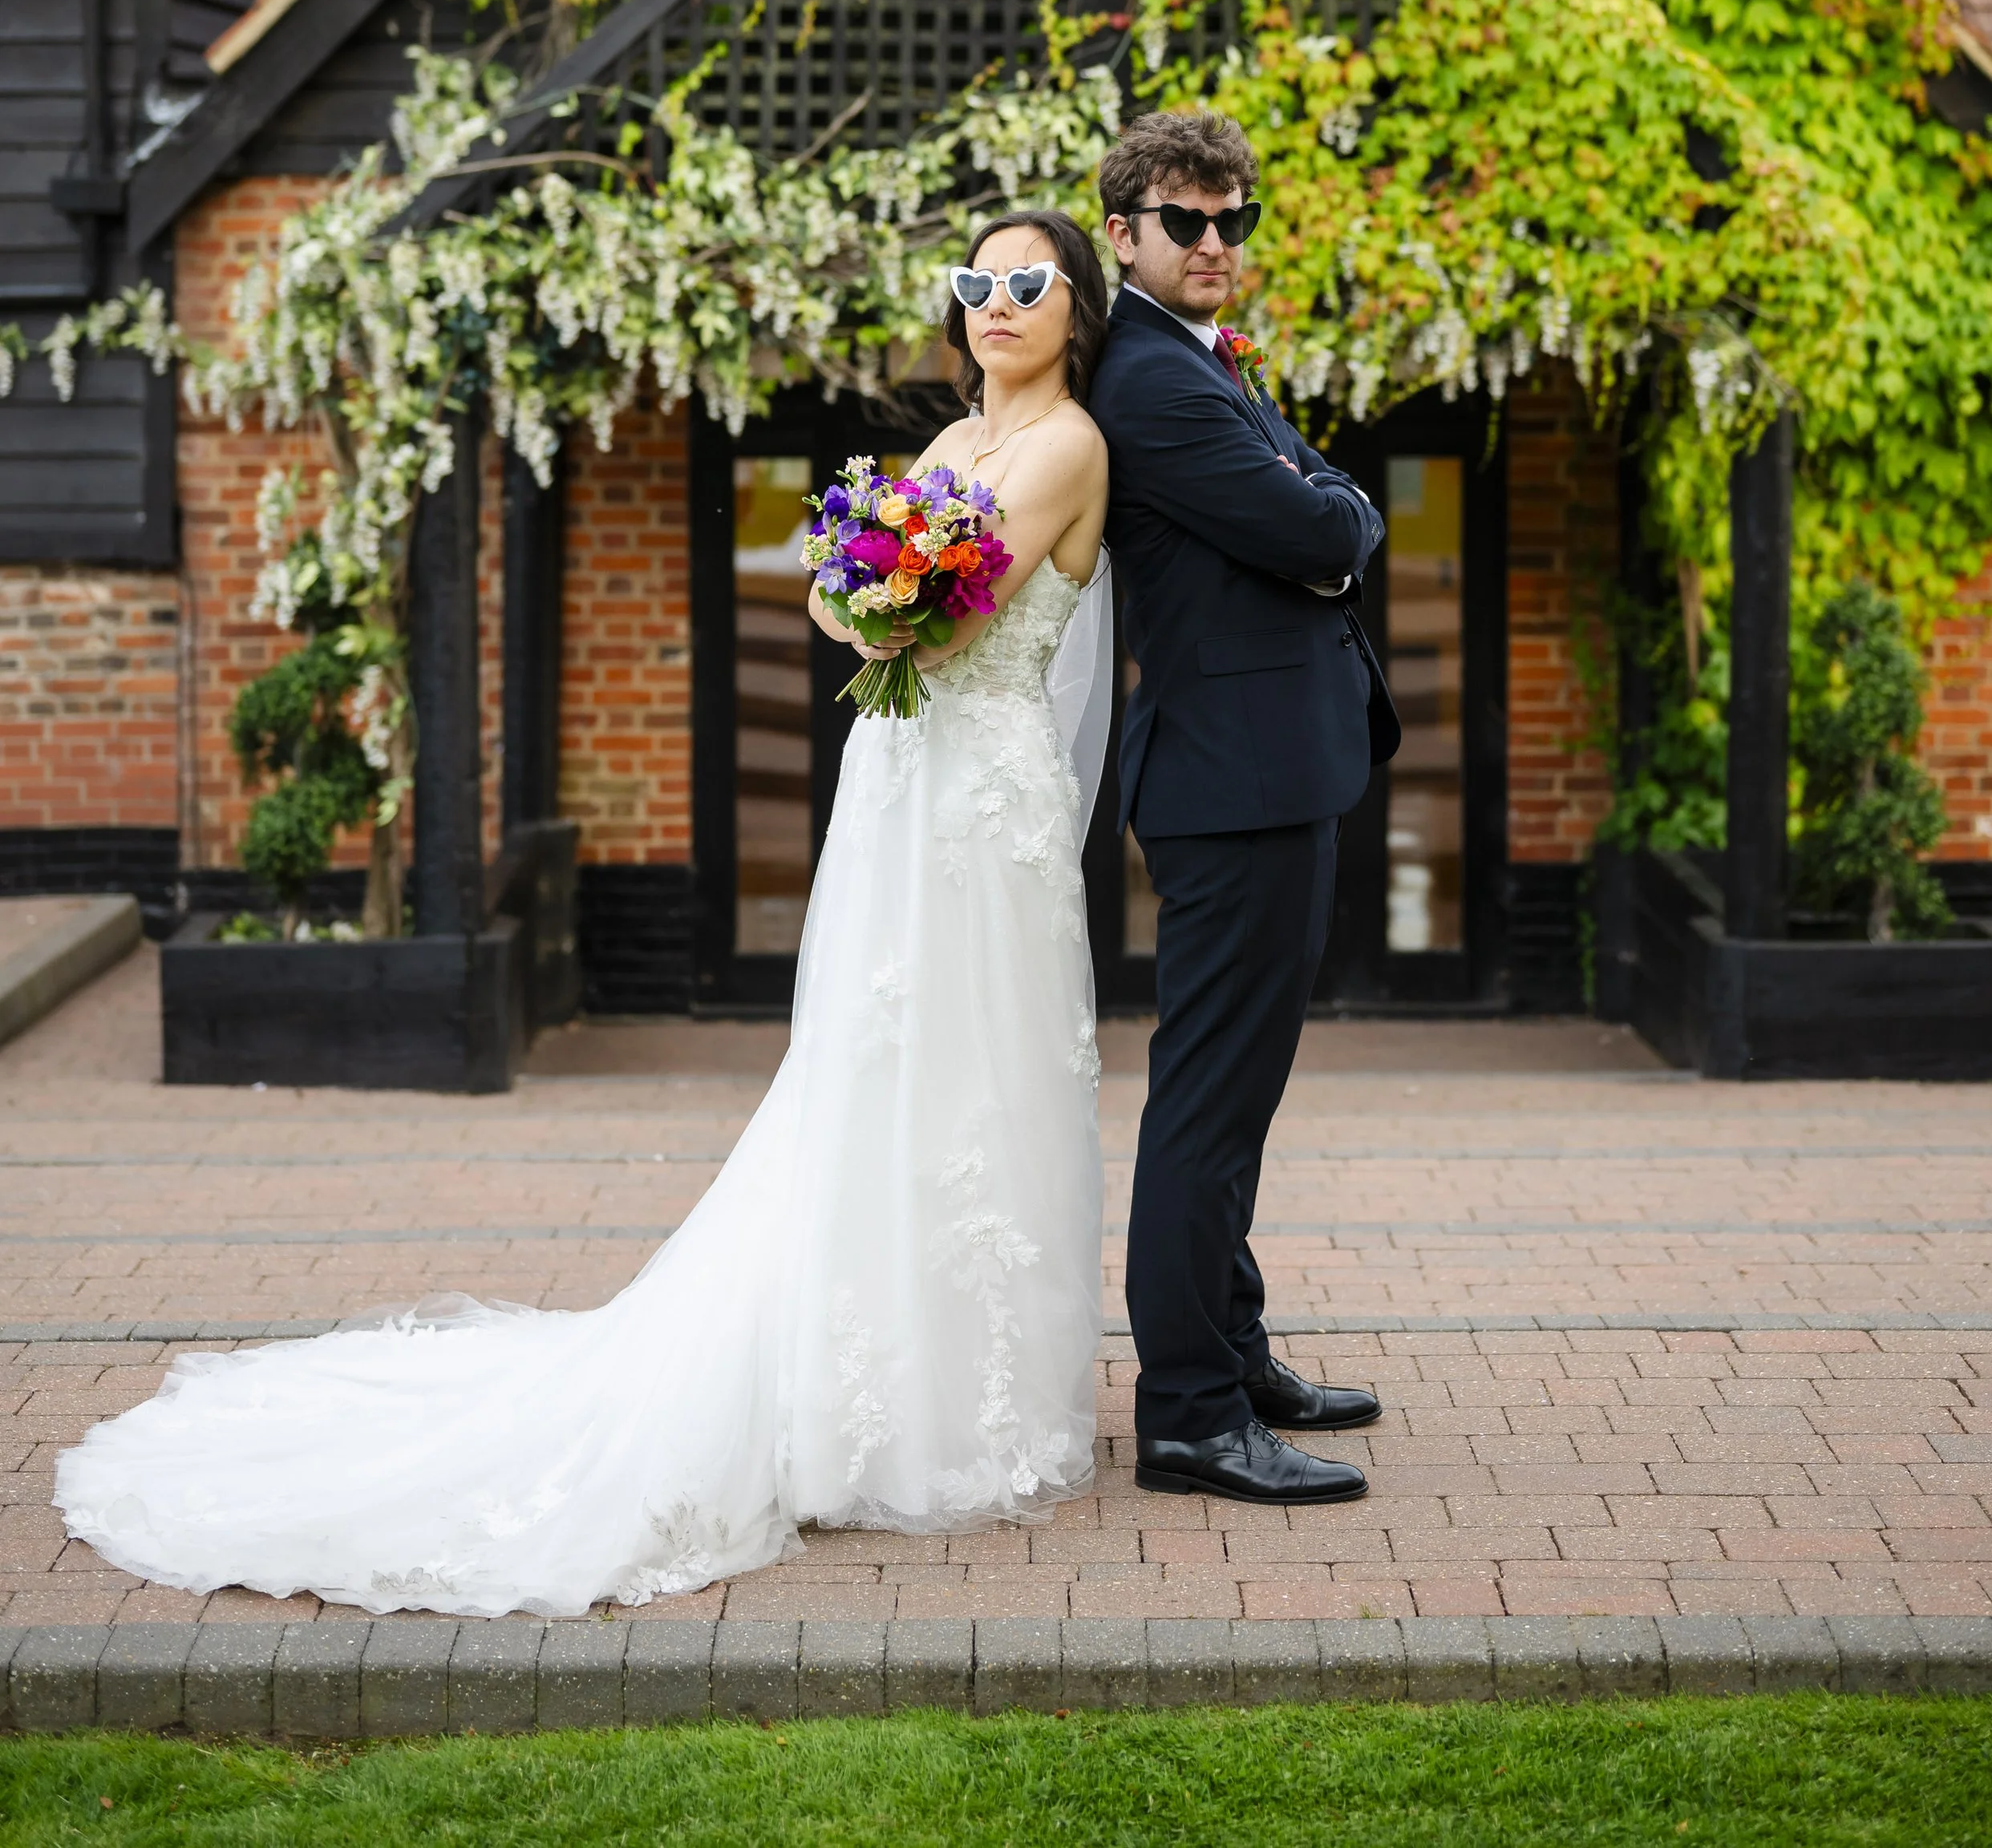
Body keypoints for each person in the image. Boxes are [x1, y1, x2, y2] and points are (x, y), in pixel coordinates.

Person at [55, 212, 1113, 1617]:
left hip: (988, 807)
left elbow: (950, 623)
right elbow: (839, 594)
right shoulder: (946, 446)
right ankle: (863, 1386)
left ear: (1076, 309)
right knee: (871, 1070)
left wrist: (878, 601)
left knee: (978, 1081)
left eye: (1027, 283)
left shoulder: (1067, 445)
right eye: (976, 282)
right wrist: (871, 596)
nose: (996, 303)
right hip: (901, 787)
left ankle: (958, 1401)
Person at [1089, 111, 1387, 1506]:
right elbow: (1328, 526)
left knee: (1235, 1098)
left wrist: (1326, 520)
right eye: (1183, 220)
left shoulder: (1201, 364)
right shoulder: (1149, 381)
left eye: (1231, 220)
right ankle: (1192, 1413)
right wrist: (1329, 533)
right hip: (1235, 778)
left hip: (1267, 770)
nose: (1214, 243)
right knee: (1205, 1105)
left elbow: (1327, 499)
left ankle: (1236, 1348)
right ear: (1123, 233)